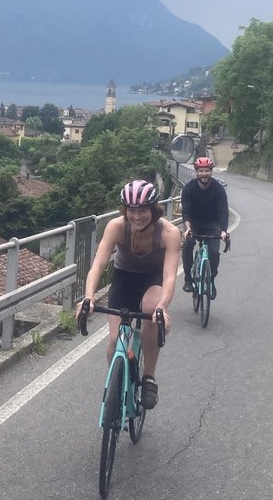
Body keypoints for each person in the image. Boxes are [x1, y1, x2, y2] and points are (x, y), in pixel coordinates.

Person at [76, 179, 182, 408]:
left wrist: (163, 306)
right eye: (131, 211)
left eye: (142, 210)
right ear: (125, 210)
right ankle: (116, 380)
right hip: (124, 278)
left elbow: (170, 276)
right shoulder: (116, 226)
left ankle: (149, 377)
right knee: (115, 340)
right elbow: (98, 264)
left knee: (151, 311)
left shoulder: (170, 233)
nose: (137, 216)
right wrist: (89, 297)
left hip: (152, 280)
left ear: (153, 210)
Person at [181, 156, 230, 299]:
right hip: (194, 223)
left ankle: (211, 280)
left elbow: (223, 210)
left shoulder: (218, 189)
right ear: (196, 172)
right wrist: (188, 229)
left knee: (214, 252)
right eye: (201, 171)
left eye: (207, 171)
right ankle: (188, 278)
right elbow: (186, 212)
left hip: (212, 224)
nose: (204, 174)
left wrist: (223, 231)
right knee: (188, 244)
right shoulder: (189, 188)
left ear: (211, 172)